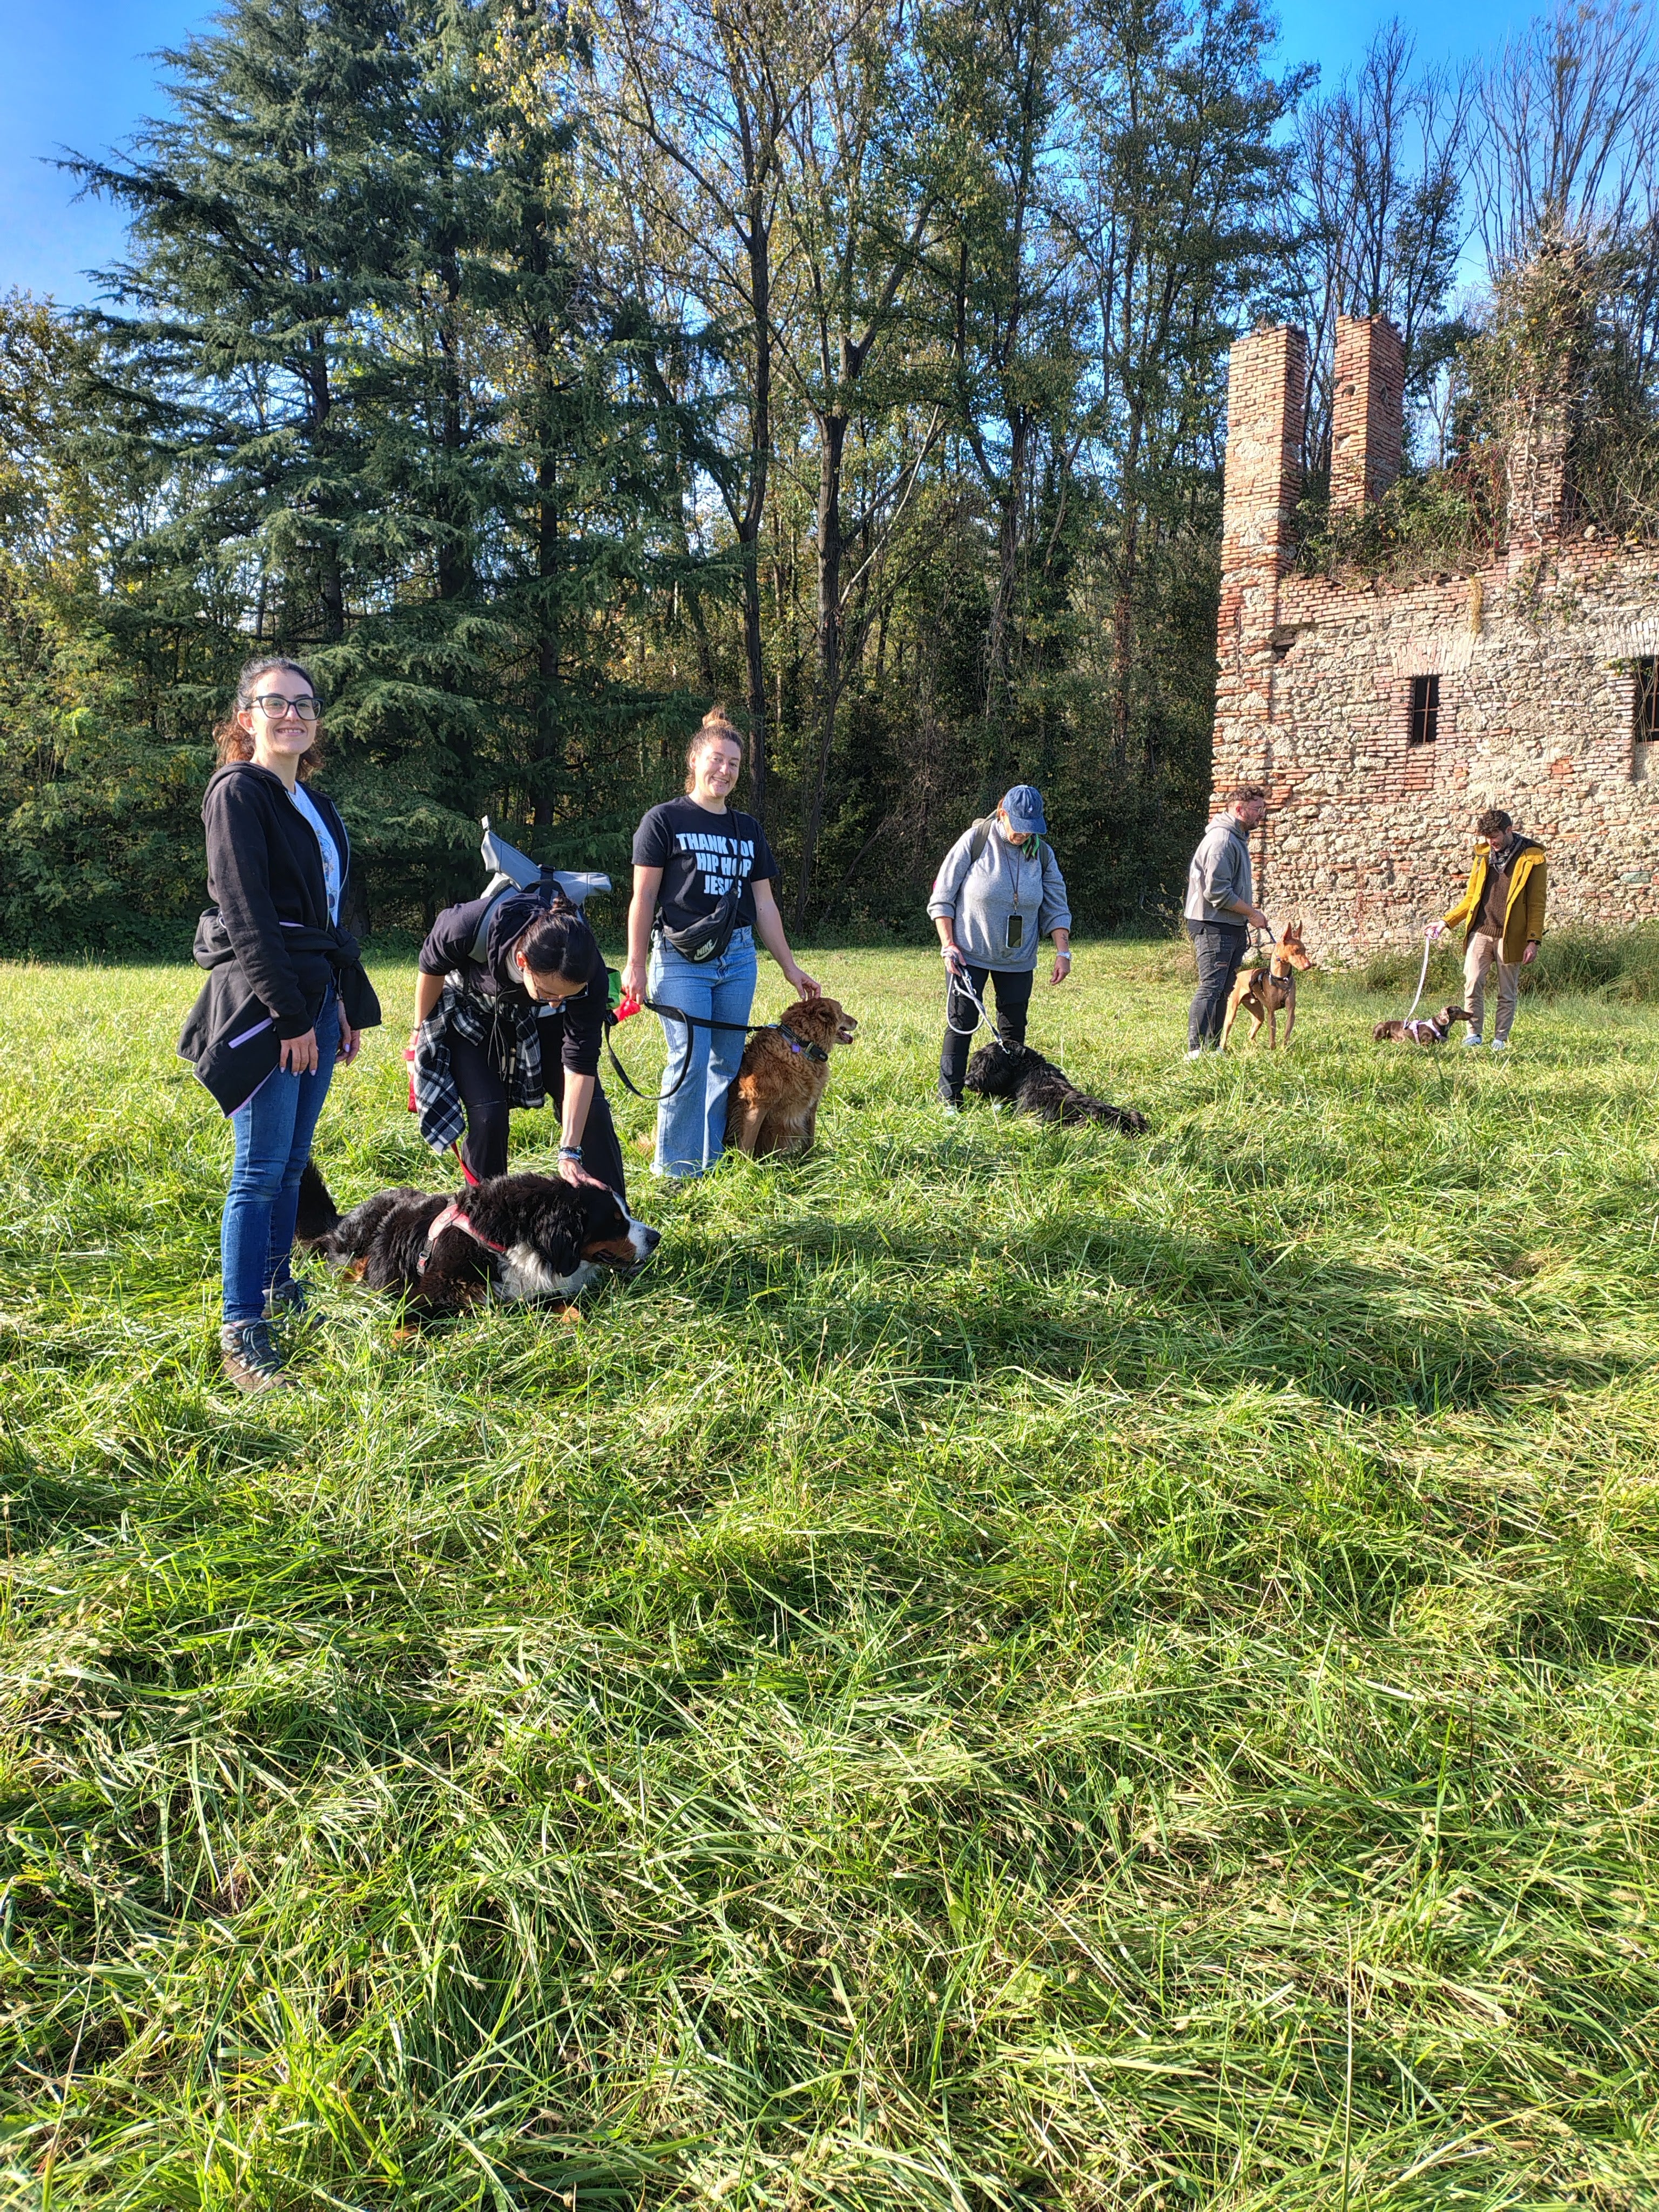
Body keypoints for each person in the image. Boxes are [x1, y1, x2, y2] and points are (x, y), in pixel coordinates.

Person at [179, 656, 381, 1394]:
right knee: (259, 1172)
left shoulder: (317, 807)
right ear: (246, 717)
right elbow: (248, 914)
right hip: (269, 1005)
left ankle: (277, 1286)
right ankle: (241, 1328)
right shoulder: (238, 792)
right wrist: (289, 1015)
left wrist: (343, 1004)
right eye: (275, 703)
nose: (292, 714)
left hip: (318, 998)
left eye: (304, 704)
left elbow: (329, 918)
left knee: (293, 1165)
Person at [622, 708, 819, 1177]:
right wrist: (636, 964)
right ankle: (675, 1172)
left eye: (734, 763)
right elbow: (643, 897)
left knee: (725, 1066)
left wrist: (789, 967)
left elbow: (765, 905)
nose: (725, 771)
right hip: (681, 958)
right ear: (694, 760)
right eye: (716, 759)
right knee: (689, 1063)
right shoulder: (663, 820)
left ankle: (710, 1162)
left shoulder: (748, 830)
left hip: (738, 958)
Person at [412, 885, 629, 1199]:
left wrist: (569, 1150)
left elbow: (580, 1062)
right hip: (477, 1012)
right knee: (489, 1117)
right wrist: (418, 1035)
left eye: (567, 996)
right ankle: (485, 1221)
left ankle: (615, 1218)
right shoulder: (466, 926)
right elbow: (431, 968)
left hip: (544, 1022)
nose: (556, 1001)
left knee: (593, 1113)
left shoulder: (587, 974)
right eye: (549, 993)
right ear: (522, 961)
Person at [928, 785, 1073, 1112]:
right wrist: (948, 945)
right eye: (1019, 826)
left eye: (1031, 828)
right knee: (961, 1023)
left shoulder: (1042, 854)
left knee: (1013, 1030)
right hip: (969, 954)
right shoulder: (976, 841)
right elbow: (942, 897)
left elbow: (1056, 905)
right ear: (1002, 813)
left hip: (1018, 958)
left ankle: (1005, 1098)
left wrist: (1062, 952)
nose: (1024, 834)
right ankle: (950, 1098)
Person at [1429, 807, 1546, 1051]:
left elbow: (1537, 904)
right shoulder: (1483, 856)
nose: (1491, 842)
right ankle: (1474, 1035)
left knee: (1507, 992)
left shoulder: (1532, 858)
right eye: (1487, 837)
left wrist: (1533, 941)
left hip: (1511, 936)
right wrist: (1445, 922)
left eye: (1494, 836)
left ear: (1509, 830)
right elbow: (1471, 898)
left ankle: (1500, 1039)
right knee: (1472, 984)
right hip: (1481, 931)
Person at [1184, 785, 1271, 1056]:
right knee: (1212, 987)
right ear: (1239, 809)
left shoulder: (1237, 838)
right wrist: (1252, 914)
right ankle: (1196, 1051)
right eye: (1257, 809)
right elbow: (1217, 892)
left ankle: (1213, 1049)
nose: (1262, 814)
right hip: (1212, 924)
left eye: (1263, 808)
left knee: (1224, 989)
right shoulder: (1222, 841)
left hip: (1229, 924)